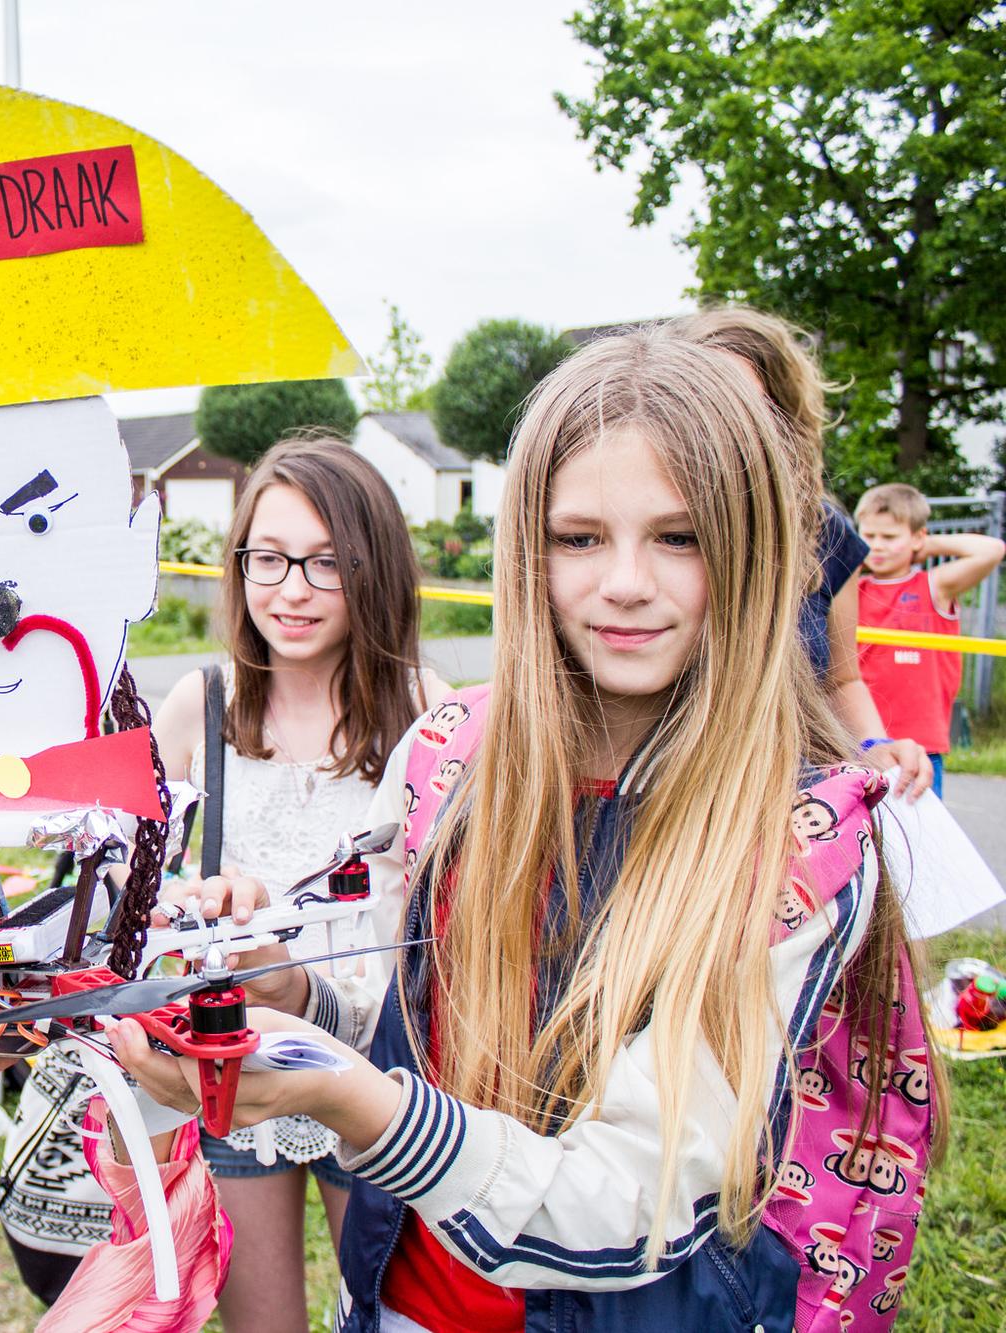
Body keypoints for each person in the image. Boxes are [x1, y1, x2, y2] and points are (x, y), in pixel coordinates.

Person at [116, 328, 936, 1331]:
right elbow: (403, 1031)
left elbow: (627, 1202)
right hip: (400, 1301)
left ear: (753, 548)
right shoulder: (443, 752)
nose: (624, 581)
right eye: (578, 537)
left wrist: (344, 1100)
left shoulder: (798, 840)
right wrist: (289, 992)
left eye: (678, 537)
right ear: (525, 549)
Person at [145, 435, 441, 1332]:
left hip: (382, 1068)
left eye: (327, 561)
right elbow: (135, 885)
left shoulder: (429, 711)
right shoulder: (200, 702)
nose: (292, 589)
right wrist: (183, 902)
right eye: (268, 558)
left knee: (385, 1314)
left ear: (373, 567)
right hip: (238, 1059)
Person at [672, 306, 933, 800]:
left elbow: (840, 681)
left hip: (792, 805)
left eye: (746, 404)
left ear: (783, 418)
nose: (723, 420)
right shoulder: (635, 527)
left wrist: (875, 745)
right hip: (658, 802)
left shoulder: (821, 530)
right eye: (703, 397)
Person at [853, 482, 1004, 797]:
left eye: (889, 537)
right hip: (865, 743)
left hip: (920, 750)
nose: (877, 546)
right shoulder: (853, 590)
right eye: (869, 536)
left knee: (917, 827)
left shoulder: (933, 586)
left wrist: (925, 546)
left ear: (917, 537)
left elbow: (992, 550)